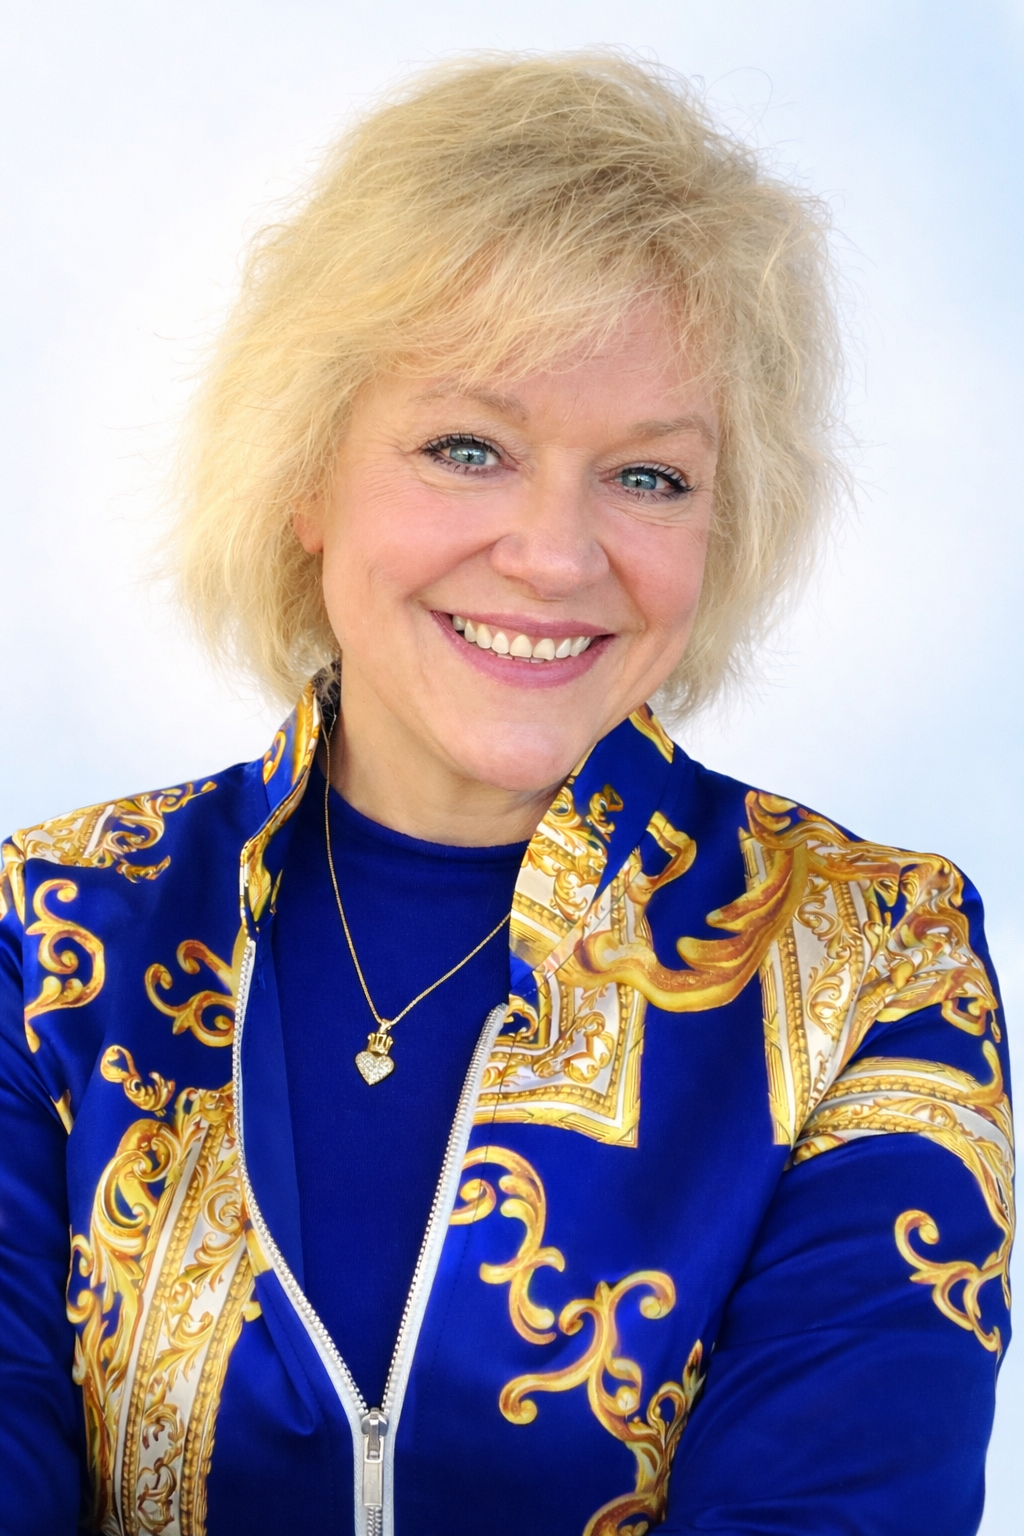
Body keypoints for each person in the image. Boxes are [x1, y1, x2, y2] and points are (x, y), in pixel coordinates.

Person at [0, 52, 1012, 1536]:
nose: (553, 554)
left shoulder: (875, 957)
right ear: (306, 476)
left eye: (649, 478)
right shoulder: (51, 929)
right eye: (466, 449)